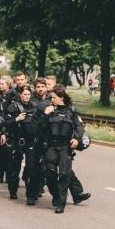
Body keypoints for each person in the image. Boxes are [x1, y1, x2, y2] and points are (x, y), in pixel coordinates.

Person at [38, 84, 90, 213]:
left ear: (61, 98)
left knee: (64, 174)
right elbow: (40, 128)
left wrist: (76, 139)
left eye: (54, 97)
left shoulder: (71, 111)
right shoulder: (49, 110)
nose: (52, 100)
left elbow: (79, 127)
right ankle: (56, 195)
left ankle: (61, 203)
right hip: (51, 146)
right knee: (50, 173)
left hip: (65, 147)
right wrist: (45, 114)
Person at [4, 85, 41, 203]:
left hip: (31, 142)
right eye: (24, 94)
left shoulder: (35, 107)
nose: (27, 97)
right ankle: (13, 191)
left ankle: (30, 194)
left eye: (29, 94)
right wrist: (16, 120)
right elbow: (6, 123)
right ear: (20, 95)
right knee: (15, 168)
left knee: (31, 168)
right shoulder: (13, 107)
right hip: (17, 141)